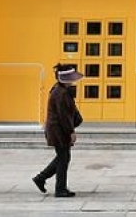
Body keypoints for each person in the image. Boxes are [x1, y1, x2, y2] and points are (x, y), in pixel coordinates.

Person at [33, 64, 84, 198]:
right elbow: (64, 116)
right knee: (63, 158)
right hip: (58, 131)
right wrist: (71, 132)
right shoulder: (60, 93)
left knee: (63, 157)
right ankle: (60, 189)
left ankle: (41, 178)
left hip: (58, 130)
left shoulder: (59, 90)